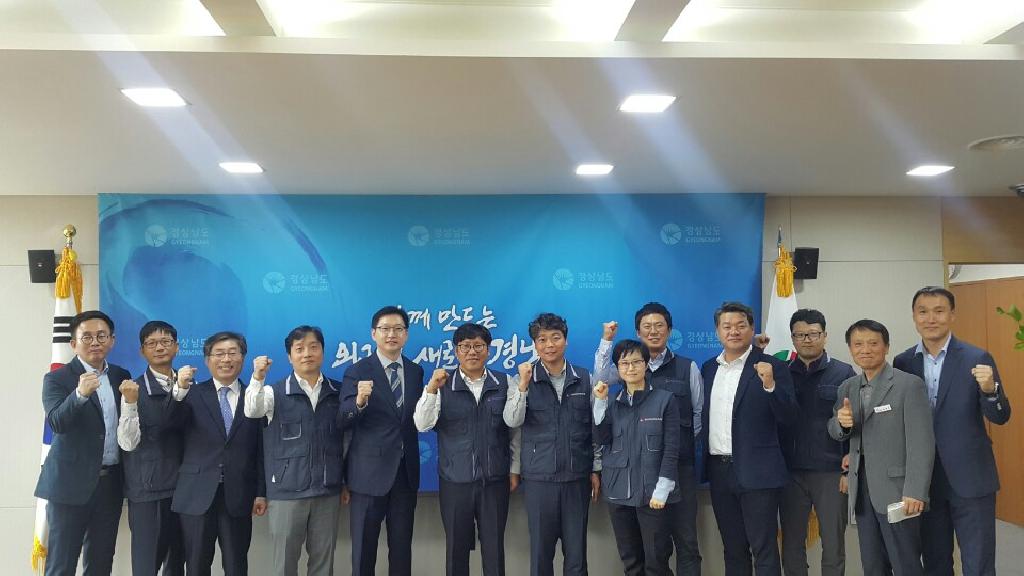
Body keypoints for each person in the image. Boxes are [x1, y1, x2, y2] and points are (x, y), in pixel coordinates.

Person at [893, 286, 1011, 576]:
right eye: (923, 312)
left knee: (978, 562)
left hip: (971, 477)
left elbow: (1000, 416)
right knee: (935, 562)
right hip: (925, 480)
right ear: (914, 316)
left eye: (939, 311)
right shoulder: (903, 362)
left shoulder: (977, 357)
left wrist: (990, 390)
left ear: (952, 315)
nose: (931, 318)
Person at [594, 302, 703, 576]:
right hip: (632, 478)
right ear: (638, 332)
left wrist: (670, 453)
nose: (653, 331)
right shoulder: (618, 393)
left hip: (676, 468)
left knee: (685, 544)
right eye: (647, 326)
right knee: (636, 554)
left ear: (669, 330)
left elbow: (699, 414)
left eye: (659, 325)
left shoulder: (685, 369)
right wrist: (606, 340)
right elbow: (600, 381)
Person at [828, 319, 934, 576]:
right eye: (858, 344)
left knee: (906, 564)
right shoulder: (848, 387)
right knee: (873, 564)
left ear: (886, 346)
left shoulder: (908, 385)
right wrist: (841, 424)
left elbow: (922, 443)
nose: (865, 350)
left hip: (899, 492)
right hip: (862, 492)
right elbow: (835, 428)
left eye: (873, 343)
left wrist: (915, 491)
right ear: (850, 349)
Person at [700, 301, 798, 576]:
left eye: (740, 325)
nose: (734, 331)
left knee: (764, 549)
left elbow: (789, 417)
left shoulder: (773, 366)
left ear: (752, 328)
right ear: (717, 331)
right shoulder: (708, 369)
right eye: (727, 326)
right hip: (719, 471)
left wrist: (770, 385)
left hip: (759, 472)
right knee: (733, 549)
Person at [413, 323, 516, 576]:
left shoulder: (504, 382)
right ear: (456, 351)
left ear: (488, 350)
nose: (472, 351)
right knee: (456, 551)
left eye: (478, 346)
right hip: (455, 482)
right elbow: (422, 424)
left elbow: (515, 430)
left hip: (494, 482)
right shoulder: (442, 384)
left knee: (494, 550)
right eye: (465, 346)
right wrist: (431, 388)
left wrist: (515, 469)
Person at [503, 312, 600, 576]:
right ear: (535, 344)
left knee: (576, 555)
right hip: (539, 478)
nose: (549, 345)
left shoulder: (584, 378)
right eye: (542, 339)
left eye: (555, 338)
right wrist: (523, 385)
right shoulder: (522, 378)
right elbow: (512, 421)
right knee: (541, 554)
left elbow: (594, 427)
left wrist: (595, 467)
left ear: (565, 340)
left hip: (576, 478)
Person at [35, 310, 129, 576]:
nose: (95, 342)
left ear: (112, 340)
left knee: (101, 563)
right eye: (87, 337)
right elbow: (57, 423)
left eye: (101, 336)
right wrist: (79, 395)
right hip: (69, 485)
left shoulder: (120, 376)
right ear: (73, 344)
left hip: (110, 484)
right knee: (61, 564)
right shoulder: (57, 378)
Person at [245, 325, 344, 576]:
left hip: (327, 491)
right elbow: (252, 410)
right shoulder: (273, 392)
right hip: (286, 493)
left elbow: (346, 440)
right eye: (299, 349)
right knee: (284, 565)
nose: (307, 353)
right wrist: (257, 377)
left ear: (322, 352)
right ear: (290, 356)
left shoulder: (338, 392)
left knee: (323, 565)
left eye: (313, 347)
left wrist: (344, 481)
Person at [169, 331, 266, 576]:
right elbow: (170, 426)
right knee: (196, 565)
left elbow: (261, 450)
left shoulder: (256, 397)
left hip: (238, 494)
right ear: (207, 360)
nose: (226, 359)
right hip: (196, 494)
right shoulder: (190, 394)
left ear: (243, 358)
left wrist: (261, 492)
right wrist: (179, 390)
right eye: (219, 354)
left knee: (236, 565)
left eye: (233, 353)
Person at [340, 306, 424, 576]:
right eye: (385, 329)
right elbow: (342, 417)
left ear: (406, 335)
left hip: (405, 474)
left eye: (398, 329)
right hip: (368, 475)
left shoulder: (415, 372)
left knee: (401, 549)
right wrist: (359, 401)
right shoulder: (357, 371)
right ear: (373, 333)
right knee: (364, 551)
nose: (391, 334)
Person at [593, 339, 680, 576]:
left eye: (636, 362)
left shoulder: (664, 400)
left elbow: (672, 448)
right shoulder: (612, 403)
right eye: (624, 363)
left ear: (646, 364)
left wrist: (663, 488)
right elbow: (601, 438)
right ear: (617, 368)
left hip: (653, 494)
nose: (630, 368)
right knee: (631, 561)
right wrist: (599, 402)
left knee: (657, 561)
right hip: (619, 493)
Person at [778, 309, 855, 576]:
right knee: (791, 544)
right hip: (790, 473)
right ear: (792, 338)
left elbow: (855, 423)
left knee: (833, 544)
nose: (807, 340)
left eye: (813, 334)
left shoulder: (843, 372)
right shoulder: (782, 372)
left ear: (825, 335)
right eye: (800, 335)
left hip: (831, 472)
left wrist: (849, 470)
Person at [117, 320, 186, 576]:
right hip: (147, 490)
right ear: (142, 351)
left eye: (166, 342)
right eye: (152, 343)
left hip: (186, 489)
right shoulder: (131, 390)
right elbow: (127, 443)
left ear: (177, 347)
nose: (159, 348)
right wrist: (130, 403)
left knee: (177, 563)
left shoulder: (190, 387)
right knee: (147, 564)